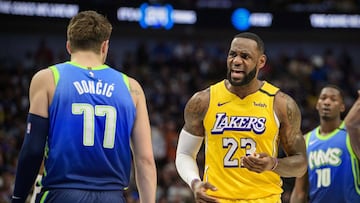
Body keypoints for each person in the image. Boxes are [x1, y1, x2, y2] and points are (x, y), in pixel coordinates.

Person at [11, 10, 157, 203]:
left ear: (69, 46)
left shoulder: (47, 79)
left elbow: (33, 149)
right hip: (112, 196)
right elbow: (145, 159)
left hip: (61, 194)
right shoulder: (132, 87)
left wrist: (18, 197)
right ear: (104, 46)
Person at [175, 32, 307, 202]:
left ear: (261, 62)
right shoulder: (203, 101)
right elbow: (185, 153)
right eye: (232, 54)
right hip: (217, 198)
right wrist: (194, 182)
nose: (236, 61)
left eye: (245, 56)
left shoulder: (281, 104)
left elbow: (301, 164)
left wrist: (273, 164)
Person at [290, 86, 360, 203]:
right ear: (317, 104)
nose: (327, 102)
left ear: (342, 106)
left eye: (333, 99)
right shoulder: (306, 141)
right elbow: (299, 192)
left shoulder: (351, 133)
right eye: (323, 98)